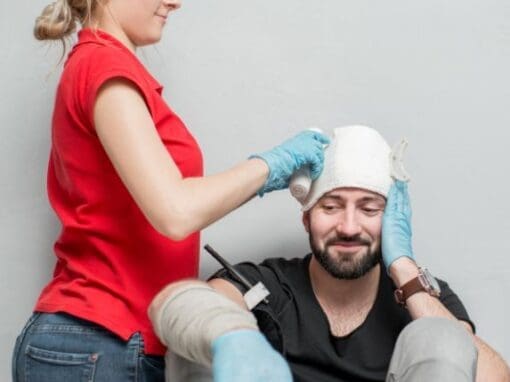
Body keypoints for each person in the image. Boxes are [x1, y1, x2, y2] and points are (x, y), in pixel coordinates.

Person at [11, 0, 330, 381]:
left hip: (108, 343)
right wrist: (272, 165)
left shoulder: (108, 67)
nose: (176, 2)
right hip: (98, 340)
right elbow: (175, 212)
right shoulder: (103, 67)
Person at [149, 125, 510, 382]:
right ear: (306, 218)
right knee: (195, 342)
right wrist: (233, 336)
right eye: (332, 207)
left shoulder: (423, 295)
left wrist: (403, 268)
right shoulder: (268, 286)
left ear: (392, 222)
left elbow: (492, 376)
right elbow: (181, 304)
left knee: (442, 337)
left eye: (369, 210)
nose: (349, 227)